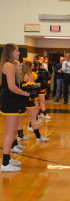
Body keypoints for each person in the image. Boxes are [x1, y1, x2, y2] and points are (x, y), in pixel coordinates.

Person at [0, 43, 30, 172]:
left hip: (8, 100)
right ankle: (5, 164)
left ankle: (8, 158)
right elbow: (12, 87)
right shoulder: (10, 66)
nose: (19, 53)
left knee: (9, 132)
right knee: (10, 133)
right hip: (10, 101)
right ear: (11, 52)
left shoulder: (5, 65)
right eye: (17, 51)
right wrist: (25, 93)